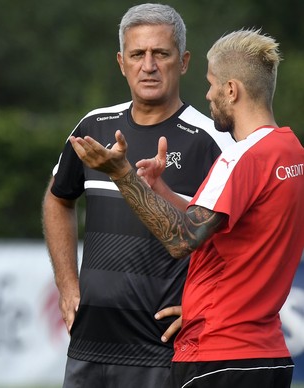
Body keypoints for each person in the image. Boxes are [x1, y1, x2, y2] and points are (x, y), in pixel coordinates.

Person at [69, 28, 304, 388]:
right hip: (267, 355)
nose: (207, 94)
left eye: (212, 84)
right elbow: (223, 227)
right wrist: (160, 189)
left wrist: (122, 174)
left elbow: (182, 239)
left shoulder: (240, 158)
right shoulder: (291, 153)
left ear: (231, 90)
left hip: (219, 355)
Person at [42, 3, 234, 387]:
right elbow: (57, 198)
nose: (149, 65)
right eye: (137, 54)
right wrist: (67, 287)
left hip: (163, 350)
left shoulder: (215, 141)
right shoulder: (93, 126)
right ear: (121, 62)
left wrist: (209, 307)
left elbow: (246, 239)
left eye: (161, 53)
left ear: (183, 62)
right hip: (88, 344)